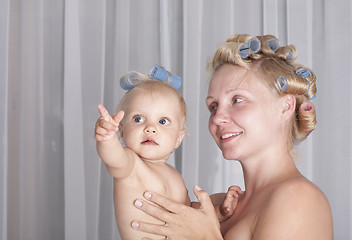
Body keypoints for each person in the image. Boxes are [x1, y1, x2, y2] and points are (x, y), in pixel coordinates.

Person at [130, 34, 334, 239]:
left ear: (285, 106)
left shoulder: (300, 198)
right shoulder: (220, 205)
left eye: (237, 100)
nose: (217, 118)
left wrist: (204, 236)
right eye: (213, 106)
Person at [94, 70, 243, 240]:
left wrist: (221, 212)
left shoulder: (174, 176)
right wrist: (106, 138)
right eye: (138, 119)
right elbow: (114, 158)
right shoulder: (131, 165)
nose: (150, 128)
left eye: (163, 121)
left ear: (178, 139)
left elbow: (188, 214)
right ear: (121, 130)